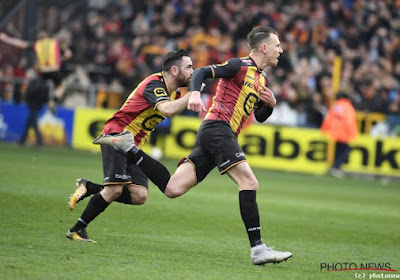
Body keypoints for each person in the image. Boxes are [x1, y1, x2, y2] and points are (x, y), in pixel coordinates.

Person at [94, 26, 292, 265]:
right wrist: (196, 94)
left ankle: (129, 148)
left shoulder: (262, 78)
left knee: (173, 189)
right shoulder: (238, 66)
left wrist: (269, 105)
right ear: (264, 47)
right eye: (277, 45)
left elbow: (259, 115)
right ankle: (258, 249)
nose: (280, 50)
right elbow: (200, 73)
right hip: (218, 128)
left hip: (217, 135)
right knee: (249, 182)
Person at [67, 49, 196, 243]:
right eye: (189, 67)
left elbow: (172, 108)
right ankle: (77, 229)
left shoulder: (175, 92)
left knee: (139, 195)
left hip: (132, 144)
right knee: (115, 190)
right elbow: (167, 110)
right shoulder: (155, 84)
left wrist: (191, 97)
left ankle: (89, 187)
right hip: (117, 136)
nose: (193, 71)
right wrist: (194, 94)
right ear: (175, 70)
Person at [0, 30, 72, 105]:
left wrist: (6, 39)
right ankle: (54, 100)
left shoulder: (37, 44)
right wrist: (60, 59)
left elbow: (22, 44)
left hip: (43, 72)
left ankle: (35, 98)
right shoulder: (54, 42)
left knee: (38, 82)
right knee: (61, 85)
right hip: (54, 69)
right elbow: (68, 54)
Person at [321, 92, 358, 178]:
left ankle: (334, 167)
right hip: (344, 132)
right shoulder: (348, 106)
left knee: (338, 150)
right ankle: (336, 167)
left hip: (335, 132)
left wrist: (324, 129)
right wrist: (353, 133)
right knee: (345, 150)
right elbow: (350, 121)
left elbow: (328, 118)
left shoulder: (335, 106)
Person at [18, 68, 49, 147]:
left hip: (34, 106)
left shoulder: (34, 83)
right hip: (34, 105)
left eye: (27, 76)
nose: (27, 77)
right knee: (28, 123)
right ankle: (22, 140)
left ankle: (39, 142)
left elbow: (28, 93)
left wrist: (26, 88)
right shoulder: (35, 82)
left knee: (33, 124)